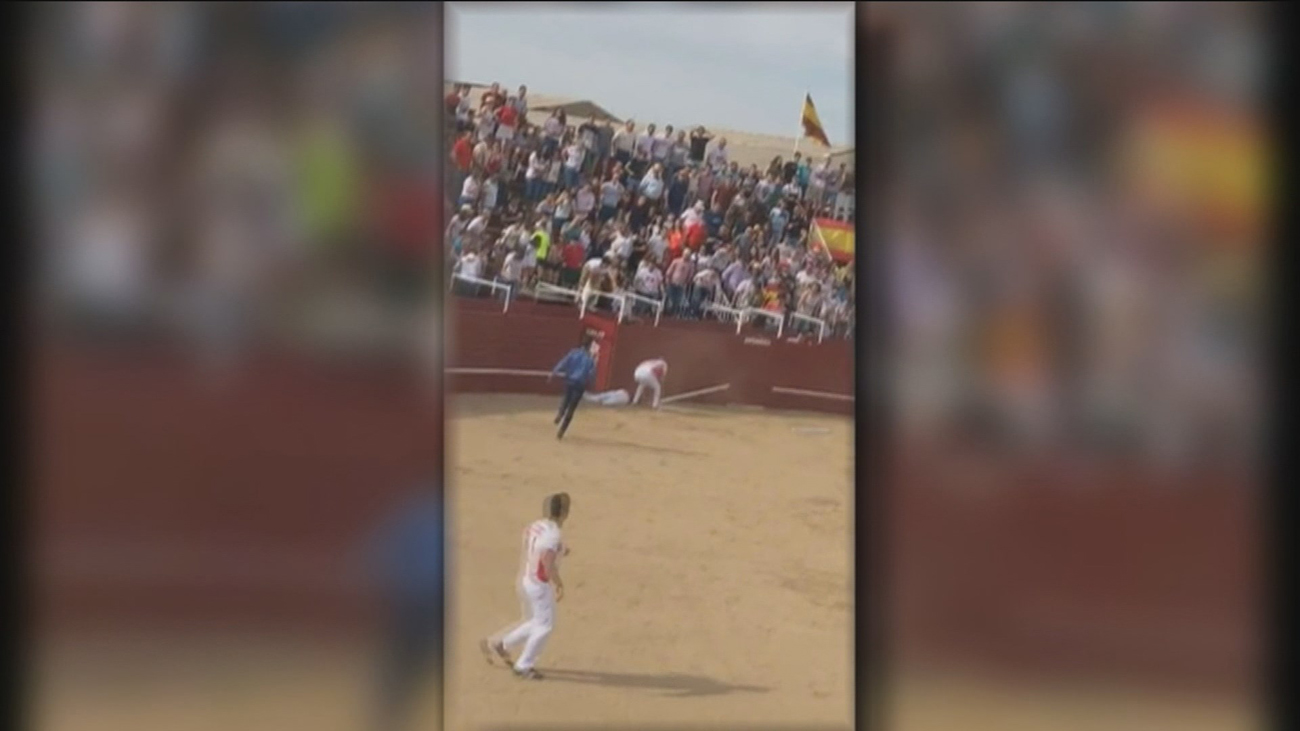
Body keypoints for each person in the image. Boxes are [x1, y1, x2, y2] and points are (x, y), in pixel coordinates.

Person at [481, 493, 572, 680]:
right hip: (539, 585)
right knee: (545, 626)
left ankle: (502, 645)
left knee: (537, 621)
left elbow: (537, 546)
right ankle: (523, 665)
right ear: (563, 512)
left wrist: (560, 550)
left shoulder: (537, 525)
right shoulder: (553, 535)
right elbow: (547, 563)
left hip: (527, 579)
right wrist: (558, 583)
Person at [548, 337, 598, 439]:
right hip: (580, 384)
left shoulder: (573, 353)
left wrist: (553, 373)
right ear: (589, 347)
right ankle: (561, 431)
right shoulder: (590, 359)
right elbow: (591, 374)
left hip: (570, 381)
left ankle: (560, 414)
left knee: (566, 400)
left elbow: (563, 362)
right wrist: (592, 384)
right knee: (572, 408)